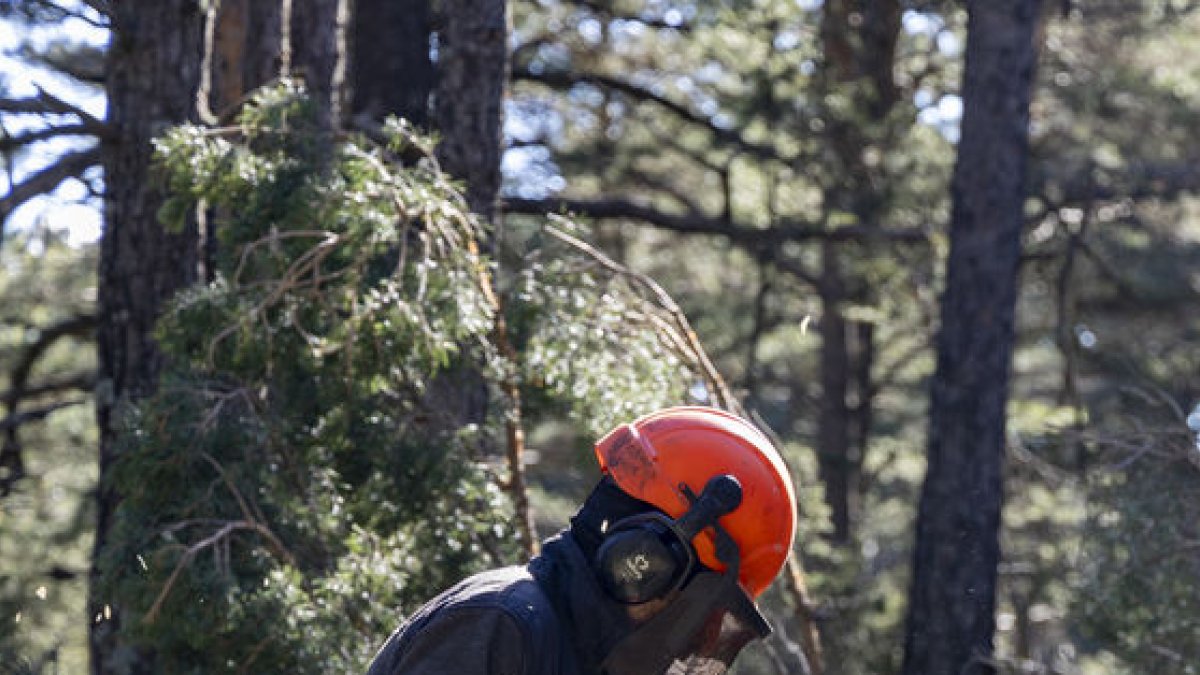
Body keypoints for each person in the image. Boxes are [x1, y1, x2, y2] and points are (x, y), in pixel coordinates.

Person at [365, 406, 798, 675]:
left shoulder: (582, 653)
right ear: (646, 562)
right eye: (702, 608)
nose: (701, 637)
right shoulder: (500, 626)